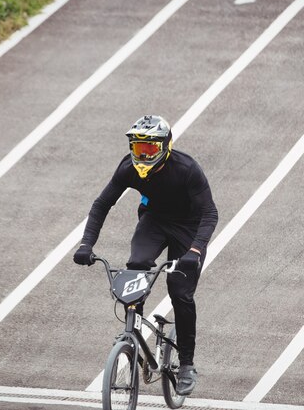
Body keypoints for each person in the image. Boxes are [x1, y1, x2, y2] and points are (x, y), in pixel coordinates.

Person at [73, 115, 218, 396]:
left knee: (180, 292)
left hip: (188, 228)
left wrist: (195, 250)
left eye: (150, 149)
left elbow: (210, 213)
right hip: (154, 220)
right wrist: (85, 245)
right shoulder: (128, 168)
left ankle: (186, 363)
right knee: (136, 265)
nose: (143, 154)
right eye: (139, 149)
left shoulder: (187, 169)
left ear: (165, 146)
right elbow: (102, 204)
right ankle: (132, 333)